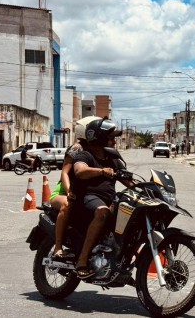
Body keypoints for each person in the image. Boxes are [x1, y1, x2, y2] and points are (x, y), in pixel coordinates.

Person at [72, 117, 131, 279]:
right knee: (103, 212)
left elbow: (129, 181)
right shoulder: (85, 155)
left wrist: (149, 189)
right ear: (99, 138)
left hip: (109, 199)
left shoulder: (113, 159)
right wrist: (101, 171)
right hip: (88, 198)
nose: (114, 141)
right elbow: (80, 171)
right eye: (111, 138)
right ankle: (82, 261)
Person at [49, 116, 99, 260]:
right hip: (63, 192)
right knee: (66, 205)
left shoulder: (97, 148)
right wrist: (69, 190)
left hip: (86, 193)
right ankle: (58, 247)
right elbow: (64, 172)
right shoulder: (77, 148)